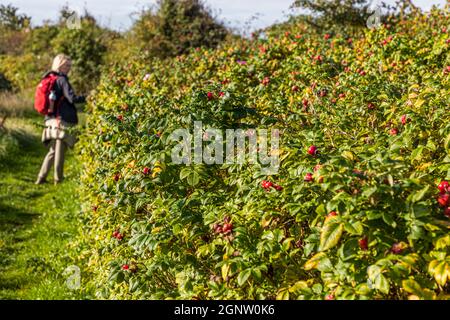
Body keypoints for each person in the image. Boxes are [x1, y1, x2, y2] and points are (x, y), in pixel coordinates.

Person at [35, 54, 85, 185]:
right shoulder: (62, 80)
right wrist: (87, 97)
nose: (69, 68)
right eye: (67, 65)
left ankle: (41, 177)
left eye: (70, 65)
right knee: (60, 150)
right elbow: (72, 98)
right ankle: (58, 179)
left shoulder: (49, 78)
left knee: (53, 150)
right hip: (61, 119)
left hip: (50, 119)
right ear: (60, 65)